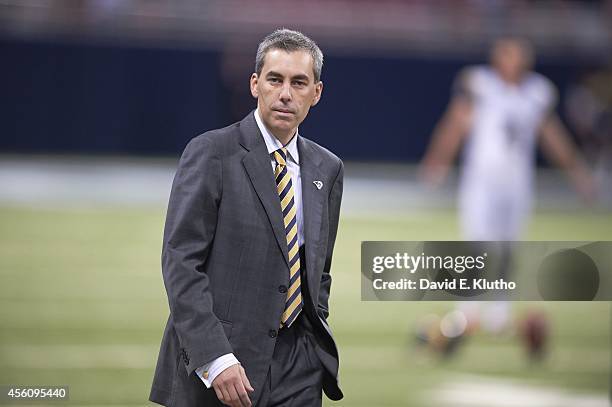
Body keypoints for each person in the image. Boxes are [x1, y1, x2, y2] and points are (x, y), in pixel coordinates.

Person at [149, 29, 344, 407]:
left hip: (298, 369)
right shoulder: (211, 152)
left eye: (299, 83)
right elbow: (181, 262)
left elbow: (318, 271)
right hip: (223, 367)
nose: (286, 93)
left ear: (316, 93)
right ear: (256, 84)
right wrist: (214, 358)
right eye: (275, 79)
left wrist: (313, 349)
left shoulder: (327, 167)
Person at [420, 37, 595, 334]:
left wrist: (577, 173)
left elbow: (551, 135)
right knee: (477, 241)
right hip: (481, 181)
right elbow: (455, 124)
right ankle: (469, 308)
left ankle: (499, 311)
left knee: (508, 245)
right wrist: (437, 160)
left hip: (517, 183)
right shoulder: (479, 85)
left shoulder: (536, 92)